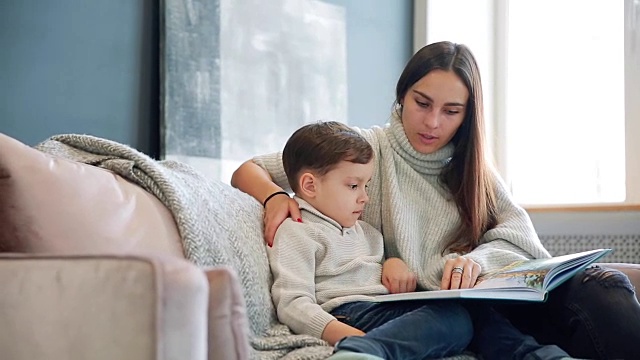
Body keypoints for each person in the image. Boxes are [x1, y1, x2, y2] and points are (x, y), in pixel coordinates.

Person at [231, 41, 640, 359]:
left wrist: (476, 262)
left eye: (451, 111)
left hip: (495, 302)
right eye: (422, 103)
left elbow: (522, 240)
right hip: (424, 311)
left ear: (468, 115)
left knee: (607, 288)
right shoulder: (363, 153)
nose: (432, 122)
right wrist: (272, 197)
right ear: (402, 97)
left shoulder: (473, 168)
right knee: (467, 321)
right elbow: (249, 168)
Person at [265, 120, 574, 360]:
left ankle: (542, 356)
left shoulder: (366, 232)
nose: (365, 197)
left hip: (385, 307)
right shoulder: (298, 229)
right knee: (454, 320)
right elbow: (293, 302)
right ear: (309, 185)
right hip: (347, 312)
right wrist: (346, 336)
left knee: (476, 313)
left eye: (367, 185)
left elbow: (375, 266)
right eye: (353, 186)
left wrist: (393, 262)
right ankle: (362, 353)